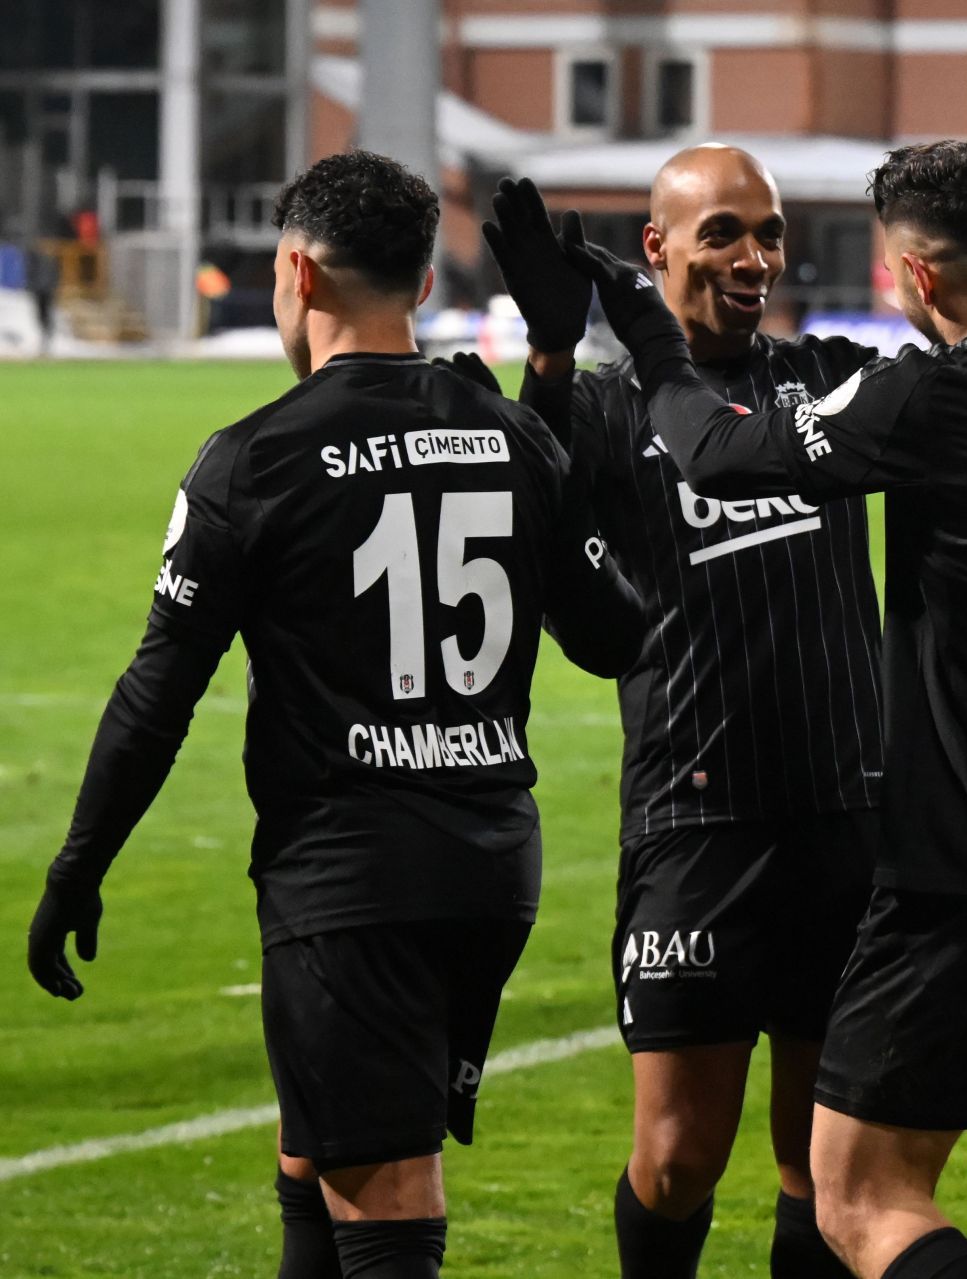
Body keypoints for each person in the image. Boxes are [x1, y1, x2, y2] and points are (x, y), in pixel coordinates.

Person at [560, 135, 967, 1279]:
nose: (758, 255)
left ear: (919, 279)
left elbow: (712, 448)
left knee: (859, 1196)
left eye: (772, 231)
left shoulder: (921, 398)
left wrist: (636, 325)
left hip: (953, 864)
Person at [25, 150, 646, 1279]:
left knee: (386, 1195)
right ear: (418, 282)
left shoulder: (254, 459)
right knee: (315, 1147)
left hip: (353, 880)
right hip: (492, 867)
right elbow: (617, 635)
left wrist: (77, 866)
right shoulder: (510, 434)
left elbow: (158, 693)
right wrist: (549, 385)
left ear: (298, 275)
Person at [483, 147, 884, 1279]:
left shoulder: (829, 378)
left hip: (845, 813)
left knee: (827, 1166)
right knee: (675, 1157)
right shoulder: (608, 412)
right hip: (694, 820)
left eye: (768, 232)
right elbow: (534, 534)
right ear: (655, 248)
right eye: (722, 234)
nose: (754, 257)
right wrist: (551, 359)